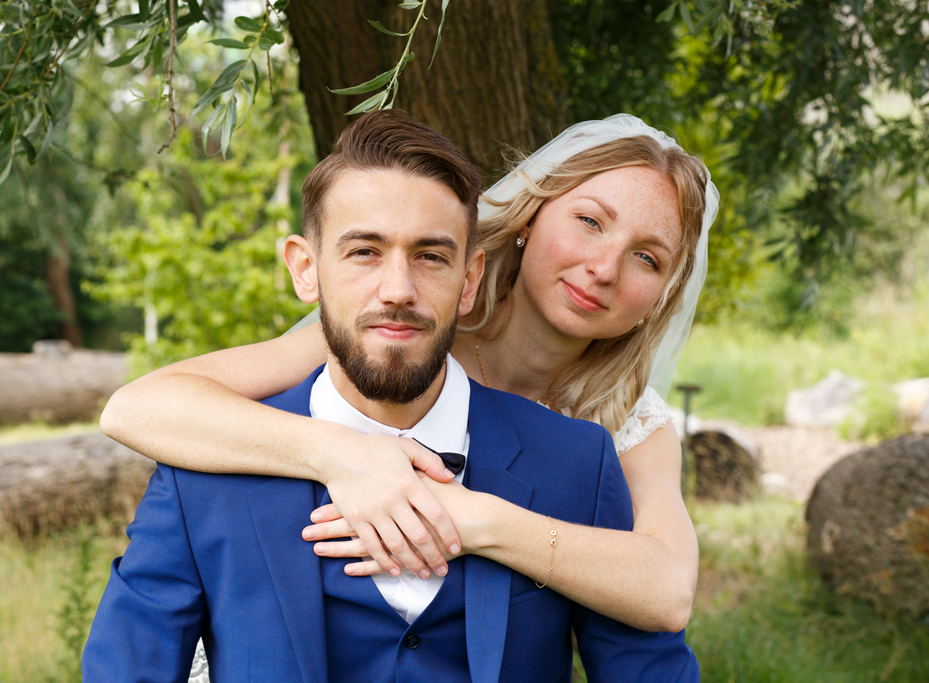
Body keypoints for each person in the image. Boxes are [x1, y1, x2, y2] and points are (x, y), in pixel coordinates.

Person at [83, 110, 700, 682]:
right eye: (364, 252)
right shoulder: (217, 455)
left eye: (431, 257)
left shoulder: (591, 455)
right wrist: (341, 454)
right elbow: (138, 409)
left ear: (467, 277)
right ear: (307, 269)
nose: (396, 290)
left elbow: (665, 599)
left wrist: (476, 520)